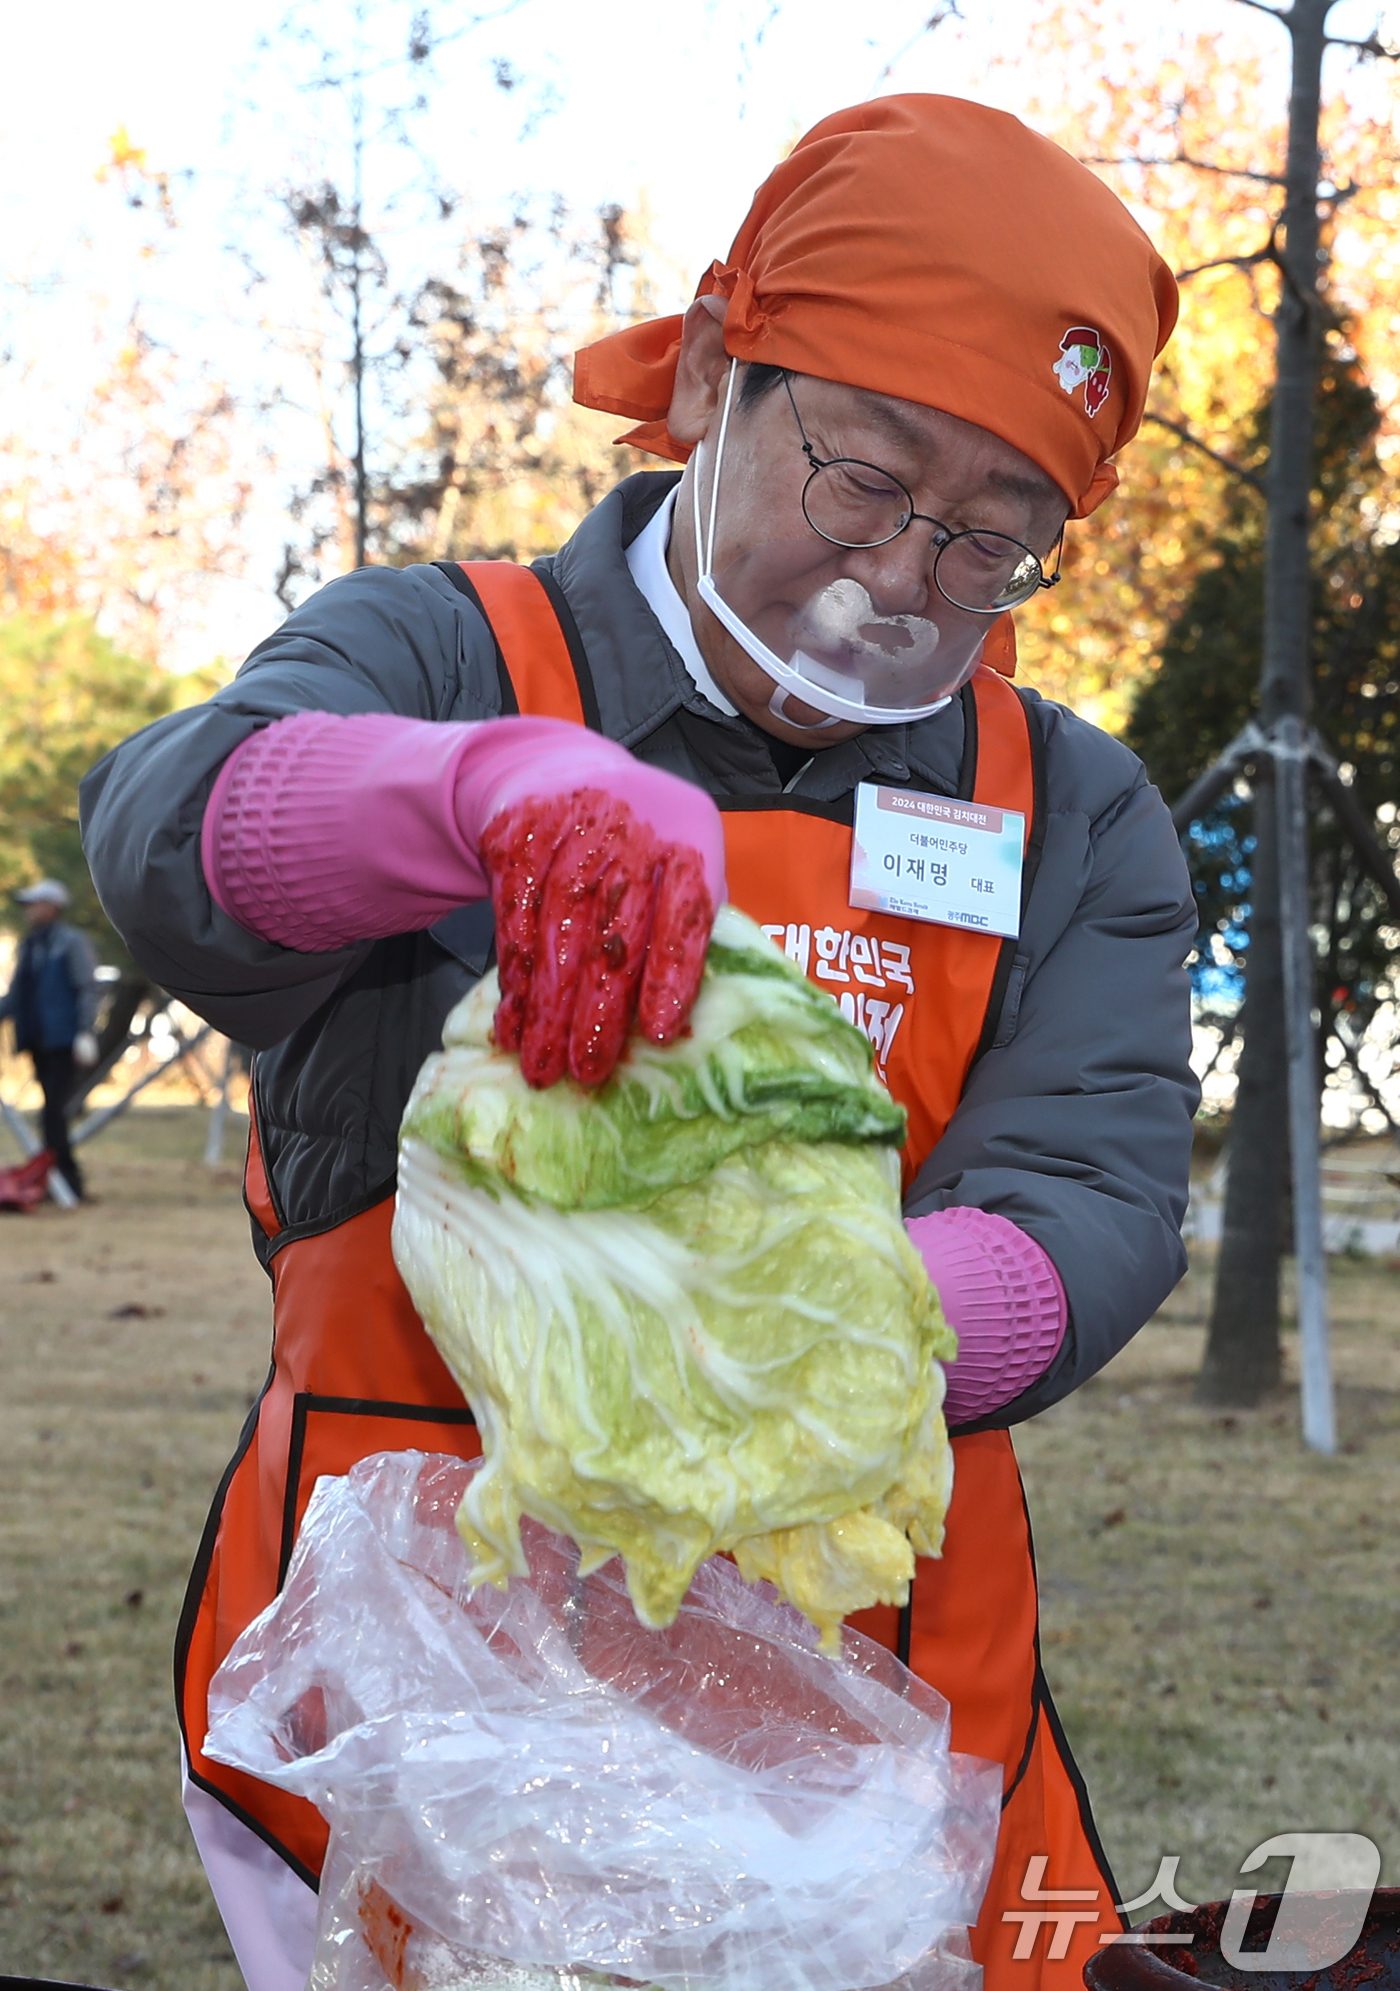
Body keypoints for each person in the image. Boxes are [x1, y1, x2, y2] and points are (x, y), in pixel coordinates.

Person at [81, 96, 1198, 1991]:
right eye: (863, 478)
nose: (910, 574)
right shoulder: (447, 655)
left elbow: (1096, 1181)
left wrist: (825, 1322)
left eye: (999, 541)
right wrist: (470, 798)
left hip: (873, 1709)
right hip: (440, 1689)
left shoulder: (1069, 811)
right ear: (706, 374)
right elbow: (168, 844)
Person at [0, 879, 99, 1200]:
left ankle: (67, 1182)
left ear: (53, 907)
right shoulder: (30, 946)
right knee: (51, 1114)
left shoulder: (71, 943)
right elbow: (16, 996)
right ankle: (57, 1181)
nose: (29, 910)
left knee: (53, 1113)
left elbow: (86, 988)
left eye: (35, 903)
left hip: (64, 1041)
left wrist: (85, 1031)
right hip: (37, 1040)